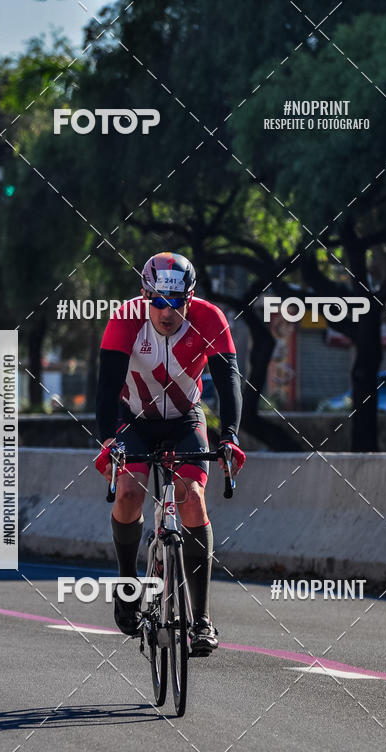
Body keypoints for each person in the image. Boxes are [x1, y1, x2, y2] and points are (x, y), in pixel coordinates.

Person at [94, 252, 245, 655]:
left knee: (192, 499)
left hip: (184, 418)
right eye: (157, 301)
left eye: (176, 302)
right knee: (128, 492)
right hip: (133, 419)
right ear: (145, 295)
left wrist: (229, 436)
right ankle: (128, 585)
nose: (166, 311)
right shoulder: (126, 318)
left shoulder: (209, 318)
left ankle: (202, 620)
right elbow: (107, 386)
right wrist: (108, 439)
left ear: (189, 297)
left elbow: (228, 380)